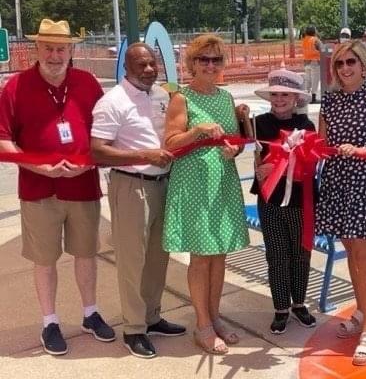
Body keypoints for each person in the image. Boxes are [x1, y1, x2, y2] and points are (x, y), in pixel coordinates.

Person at [0, 18, 114, 356]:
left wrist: (91, 161)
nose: (55, 55)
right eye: (48, 47)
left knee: (86, 254)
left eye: (61, 48)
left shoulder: (88, 83)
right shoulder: (15, 87)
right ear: (36, 49)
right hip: (38, 190)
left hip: (83, 186)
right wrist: (39, 167)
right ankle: (50, 321)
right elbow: (3, 139)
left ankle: (90, 314)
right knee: (45, 259)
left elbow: (105, 133)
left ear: (71, 50)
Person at [91, 43, 186, 359]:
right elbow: (98, 151)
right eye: (140, 65)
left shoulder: (161, 95)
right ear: (127, 68)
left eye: (151, 63)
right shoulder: (112, 102)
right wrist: (143, 155)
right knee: (132, 261)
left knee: (159, 256)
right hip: (132, 186)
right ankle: (133, 330)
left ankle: (151, 317)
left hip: (163, 184)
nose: (148, 69)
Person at [163, 33, 249, 354]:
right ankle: (202, 324)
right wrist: (197, 130)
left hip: (222, 181)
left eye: (216, 60)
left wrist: (233, 150)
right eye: (204, 60)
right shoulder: (182, 99)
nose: (210, 66)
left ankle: (214, 317)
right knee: (200, 257)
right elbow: (170, 143)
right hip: (195, 183)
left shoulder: (225, 99)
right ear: (192, 64)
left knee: (219, 254)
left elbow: (235, 141)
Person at [315, 40, 366, 366]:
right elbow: (322, 143)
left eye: (351, 62)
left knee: (365, 257)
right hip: (338, 184)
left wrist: (362, 151)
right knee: (351, 254)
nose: (345, 68)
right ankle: (361, 310)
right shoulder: (330, 101)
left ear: (364, 66)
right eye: (339, 63)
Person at [251, 69, 316, 334]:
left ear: (295, 98)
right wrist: (263, 167)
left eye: (285, 95)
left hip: (301, 199)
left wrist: (282, 161)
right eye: (275, 94)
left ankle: (299, 303)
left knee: (301, 254)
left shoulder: (306, 126)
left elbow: (310, 161)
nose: (279, 99)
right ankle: (280, 307)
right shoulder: (258, 123)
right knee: (277, 255)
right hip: (271, 199)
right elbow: (256, 157)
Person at [302, 25, 322, 104]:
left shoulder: (304, 40)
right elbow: (322, 48)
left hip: (306, 62)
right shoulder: (316, 40)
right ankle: (313, 98)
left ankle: (306, 97)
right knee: (315, 80)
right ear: (314, 31)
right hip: (315, 62)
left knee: (308, 80)